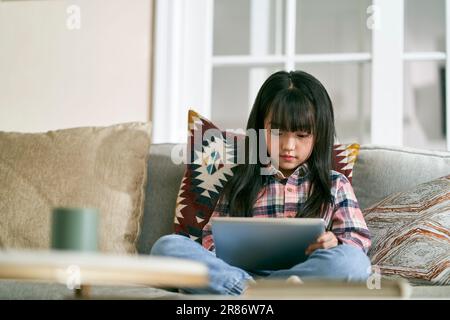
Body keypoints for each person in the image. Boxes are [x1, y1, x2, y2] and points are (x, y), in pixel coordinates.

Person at [151, 70, 372, 295]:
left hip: (305, 275)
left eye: (302, 135)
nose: (288, 145)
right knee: (167, 247)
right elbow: (211, 238)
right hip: (238, 274)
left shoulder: (335, 184)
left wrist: (335, 242)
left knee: (354, 262)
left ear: (319, 134)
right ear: (259, 128)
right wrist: (223, 259)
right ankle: (253, 291)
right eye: (277, 133)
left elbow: (358, 240)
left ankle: (261, 293)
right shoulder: (240, 180)